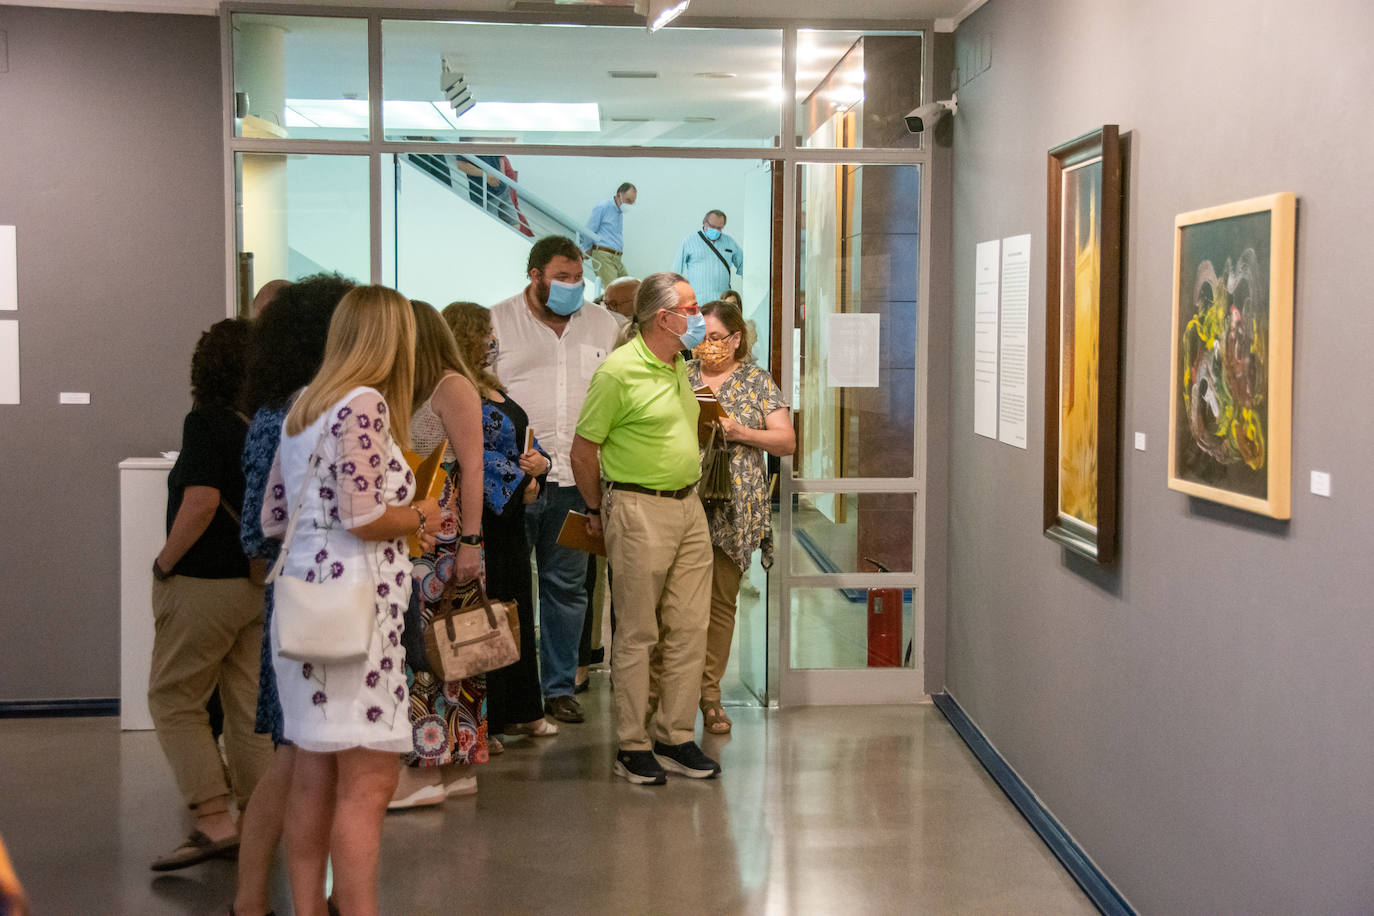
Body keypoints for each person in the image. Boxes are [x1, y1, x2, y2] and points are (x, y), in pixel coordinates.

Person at [260, 285, 440, 916]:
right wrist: (420, 512)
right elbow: (365, 515)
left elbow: (276, 518)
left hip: (307, 609)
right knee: (367, 786)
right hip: (360, 615)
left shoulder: (301, 410)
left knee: (313, 773)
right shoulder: (363, 405)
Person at [234, 272, 354, 916]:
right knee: (297, 763)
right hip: (315, 605)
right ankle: (258, 898)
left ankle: (266, 897)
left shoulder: (283, 412)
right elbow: (264, 527)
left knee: (299, 762)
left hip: (302, 603)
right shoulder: (295, 415)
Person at [570, 272, 719, 785]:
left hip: (688, 507)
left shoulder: (678, 364)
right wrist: (596, 510)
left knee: (689, 626)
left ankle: (674, 736)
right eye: (692, 307)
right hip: (637, 508)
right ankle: (632, 744)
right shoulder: (618, 372)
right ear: (665, 317)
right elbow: (583, 450)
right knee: (638, 632)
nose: (700, 316)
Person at [147, 317, 275, 872]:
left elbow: (200, 502)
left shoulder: (206, 423)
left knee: (174, 698)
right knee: (248, 709)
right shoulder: (263, 423)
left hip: (203, 584)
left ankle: (212, 819)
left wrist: (164, 561)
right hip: (255, 584)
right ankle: (261, 821)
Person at [490, 235, 620, 724]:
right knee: (507, 591)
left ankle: (560, 686)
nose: (572, 286)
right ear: (535, 276)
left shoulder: (603, 325)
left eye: (577, 278)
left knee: (568, 589)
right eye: (562, 278)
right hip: (512, 485)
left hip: (576, 482)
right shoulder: (498, 321)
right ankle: (509, 695)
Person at [389, 301, 489, 809]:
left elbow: (473, 468)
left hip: (448, 533)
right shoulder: (406, 388)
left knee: (453, 644)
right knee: (421, 646)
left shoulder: (453, 386)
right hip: (418, 529)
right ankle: (439, 764)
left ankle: (450, 761)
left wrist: (470, 540)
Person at [442, 301, 557, 745]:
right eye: (486, 331)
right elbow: (473, 456)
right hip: (482, 519)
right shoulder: (455, 389)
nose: (494, 339)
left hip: (508, 521)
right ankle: (489, 717)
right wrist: (518, 480)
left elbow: (520, 436)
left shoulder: (490, 385)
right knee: (483, 619)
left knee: (514, 613)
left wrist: (539, 464)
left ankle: (523, 708)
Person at [687, 299, 794, 734]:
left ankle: (710, 696)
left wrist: (740, 432)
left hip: (735, 506)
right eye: (702, 338)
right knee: (675, 605)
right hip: (683, 499)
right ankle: (666, 694)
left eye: (717, 338)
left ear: (736, 339)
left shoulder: (756, 380)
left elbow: (786, 442)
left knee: (720, 604)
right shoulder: (682, 376)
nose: (709, 346)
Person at [672, 209, 743, 304]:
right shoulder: (689, 241)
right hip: (697, 302)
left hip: (722, 302)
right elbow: (675, 271)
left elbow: (744, 267)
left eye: (719, 228)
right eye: (712, 226)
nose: (716, 230)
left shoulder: (730, 242)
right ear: (704, 223)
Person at [582, 182, 636, 291]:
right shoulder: (603, 207)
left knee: (631, 289)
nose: (629, 205)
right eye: (628, 200)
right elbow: (590, 229)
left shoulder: (619, 213)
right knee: (614, 292)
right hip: (604, 255)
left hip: (616, 257)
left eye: (632, 203)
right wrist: (585, 248)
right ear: (619, 194)